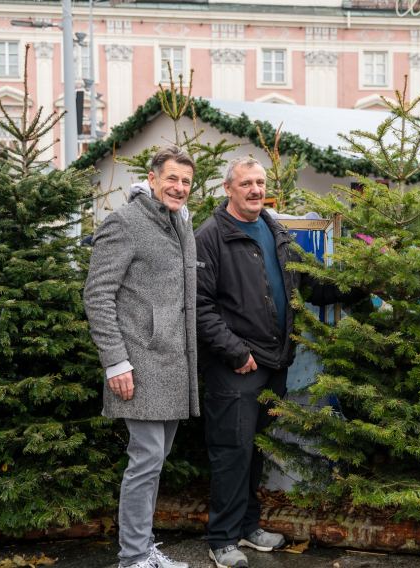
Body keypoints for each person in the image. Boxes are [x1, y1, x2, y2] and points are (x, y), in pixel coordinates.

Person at [195, 157, 360, 568]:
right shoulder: (212, 236)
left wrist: (363, 279)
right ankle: (221, 539)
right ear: (228, 189)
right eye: (246, 183)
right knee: (231, 451)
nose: (254, 190)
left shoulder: (274, 229)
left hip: (274, 362)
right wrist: (236, 352)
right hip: (236, 366)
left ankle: (248, 528)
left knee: (255, 449)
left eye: (260, 182)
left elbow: (307, 283)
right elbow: (199, 306)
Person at [84, 146, 200, 568]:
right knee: (146, 460)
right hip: (139, 364)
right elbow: (98, 294)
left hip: (174, 362)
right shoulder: (126, 223)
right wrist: (115, 361)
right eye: (172, 178)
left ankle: (142, 548)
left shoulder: (179, 224)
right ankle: (132, 557)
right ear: (152, 178)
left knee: (154, 461)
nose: (179, 187)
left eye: (186, 181)